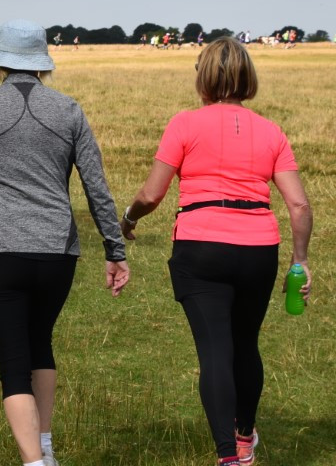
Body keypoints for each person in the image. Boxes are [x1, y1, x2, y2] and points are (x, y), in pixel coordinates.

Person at [0, 19, 129, 466]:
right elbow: (97, 187)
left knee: (12, 362)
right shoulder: (68, 110)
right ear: (42, 63)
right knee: (40, 344)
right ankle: (44, 447)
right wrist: (114, 249)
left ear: (0, 62)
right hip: (57, 253)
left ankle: (34, 462)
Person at [122, 36, 313, 466]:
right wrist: (300, 261)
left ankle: (228, 457)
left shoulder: (184, 124)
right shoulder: (271, 130)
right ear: (248, 78)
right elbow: (299, 205)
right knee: (246, 345)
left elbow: (152, 194)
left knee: (215, 352)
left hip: (200, 247)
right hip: (259, 249)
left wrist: (129, 219)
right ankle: (244, 437)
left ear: (203, 78)